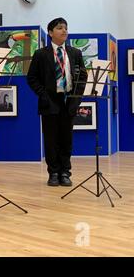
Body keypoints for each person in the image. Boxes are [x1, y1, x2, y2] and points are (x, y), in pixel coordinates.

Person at [27, 18, 88, 187]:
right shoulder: (41, 54)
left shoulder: (75, 53)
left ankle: (65, 172)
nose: (64, 31)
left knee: (66, 139)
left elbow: (83, 77)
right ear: (51, 32)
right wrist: (43, 95)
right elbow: (32, 78)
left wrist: (76, 98)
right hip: (50, 102)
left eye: (66, 28)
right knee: (51, 139)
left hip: (69, 101)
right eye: (60, 28)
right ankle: (53, 172)